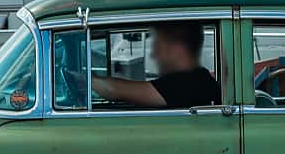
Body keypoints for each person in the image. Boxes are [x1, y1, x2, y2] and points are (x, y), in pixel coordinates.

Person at [92, 21, 220, 108]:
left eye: (158, 47)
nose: (154, 55)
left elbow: (113, 90)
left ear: (178, 49)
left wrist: (88, 81)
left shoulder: (186, 84)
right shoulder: (201, 78)